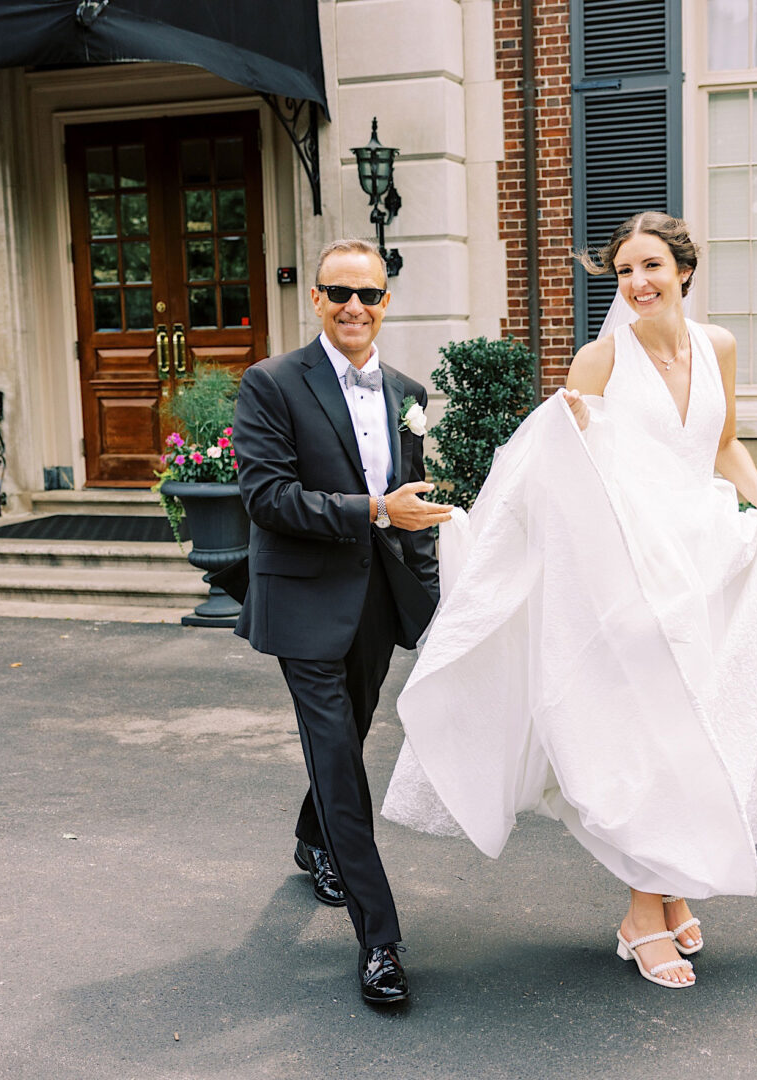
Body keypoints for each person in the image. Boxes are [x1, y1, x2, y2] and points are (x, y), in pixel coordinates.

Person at [382, 212, 757, 989]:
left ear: (684, 272)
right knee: (655, 729)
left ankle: (666, 894)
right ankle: (644, 911)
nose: (638, 283)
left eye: (652, 267)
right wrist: (558, 425)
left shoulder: (720, 348)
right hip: (631, 568)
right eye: (625, 271)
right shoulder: (601, 358)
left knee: (698, 720)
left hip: (702, 552)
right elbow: (568, 466)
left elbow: (723, 441)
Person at [230, 237, 452, 1006]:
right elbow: (266, 497)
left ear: (386, 302)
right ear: (317, 299)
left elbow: (413, 508)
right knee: (341, 762)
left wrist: (430, 606)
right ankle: (380, 941)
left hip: (374, 603)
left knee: (345, 740)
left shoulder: (406, 390)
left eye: (370, 294)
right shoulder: (270, 383)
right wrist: (370, 510)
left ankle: (310, 838)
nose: (354, 306)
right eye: (339, 292)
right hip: (301, 601)